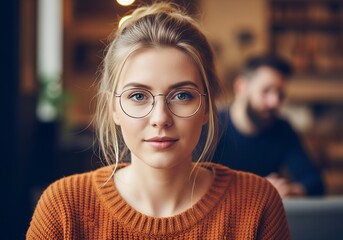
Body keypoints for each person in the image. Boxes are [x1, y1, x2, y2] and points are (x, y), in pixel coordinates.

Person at [26, 3, 290, 239]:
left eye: (182, 95)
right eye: (138, 95)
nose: (161, 118)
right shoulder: (63, 207)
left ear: (208, 106)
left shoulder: (258, 204)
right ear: (113, 108)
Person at [214, 55, 325, 198]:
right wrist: (258, 190)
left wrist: (292, 191)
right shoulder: (210, 127)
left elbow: (315, 183)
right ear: (240, 86)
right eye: (266, 91)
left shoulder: (282, 129)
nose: (275, 102)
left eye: (280, 94)